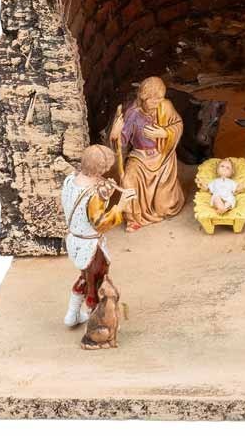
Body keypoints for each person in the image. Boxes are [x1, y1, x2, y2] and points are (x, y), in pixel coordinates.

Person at [61, 144, 135, 328]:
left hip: (74, 241)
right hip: (91, 247)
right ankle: (97, 322)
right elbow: (100, 222)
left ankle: (72, 315)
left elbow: (79, 207)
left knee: (85, 277)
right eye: (105, 168)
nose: (107, 171)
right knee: (97, 283)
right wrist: (120, 206)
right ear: (99, 169)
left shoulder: (71, 180)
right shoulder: (93, 194)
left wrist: (105, 193)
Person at [110, 76, 185, 231]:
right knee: (128, 181)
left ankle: (160, 205)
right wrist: (115, 134)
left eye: (160, 99)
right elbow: (121, 142)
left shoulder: (165, 106)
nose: (157, 103)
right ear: (144, 98)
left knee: (164, 207)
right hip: (140, 157)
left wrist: (164, 133)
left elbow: (178, 124)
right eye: (153, 100)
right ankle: (133, 218)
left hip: (162, 157)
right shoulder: (133, 113)